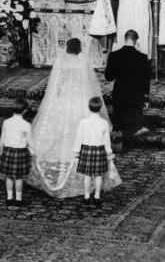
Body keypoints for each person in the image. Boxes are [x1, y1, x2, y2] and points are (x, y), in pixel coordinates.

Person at [27, 38, 122, 199]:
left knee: (60, 124)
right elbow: (90, 84)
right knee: (79, 125)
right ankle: (79, 154)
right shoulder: (82, 61)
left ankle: (66, 151)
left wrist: (55, 97)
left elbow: (56, 84)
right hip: (79, 97)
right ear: (79, 49)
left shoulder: (61, 61)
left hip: (64, 97)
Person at [104, 29, 151, 148]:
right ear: (136, 41)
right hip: (136, 96)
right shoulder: (142, 57)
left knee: (119, 120)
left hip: (119, 93)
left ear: (125, 39)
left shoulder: (114, 55)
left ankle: (118, 142)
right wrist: (146, 97)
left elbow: (109, 77)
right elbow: (145, 80)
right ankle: (131, 142)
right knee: (133, 122)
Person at [73, 97, 114, 205]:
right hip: (99, 151)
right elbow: (106, 140)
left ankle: (86, 196)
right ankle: (97, 196)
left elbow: (79, 137)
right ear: (100, 108)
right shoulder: (104, 122)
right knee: (98, 175)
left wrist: (77, 151)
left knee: (87, 175)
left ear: (89, 107)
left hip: (86, 150)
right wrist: (109, 152)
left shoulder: (83, 122)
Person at [0, 98, 32, 207]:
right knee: (19, 177)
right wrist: (33, 153)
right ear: (25, 111)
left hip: (8, 151)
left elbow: (2, 139)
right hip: (20, 152)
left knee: (8, 176)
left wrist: (1, 152)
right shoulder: (26, 125)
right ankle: (18, 199)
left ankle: (9, 198)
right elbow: (30, 141)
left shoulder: (6, 122)